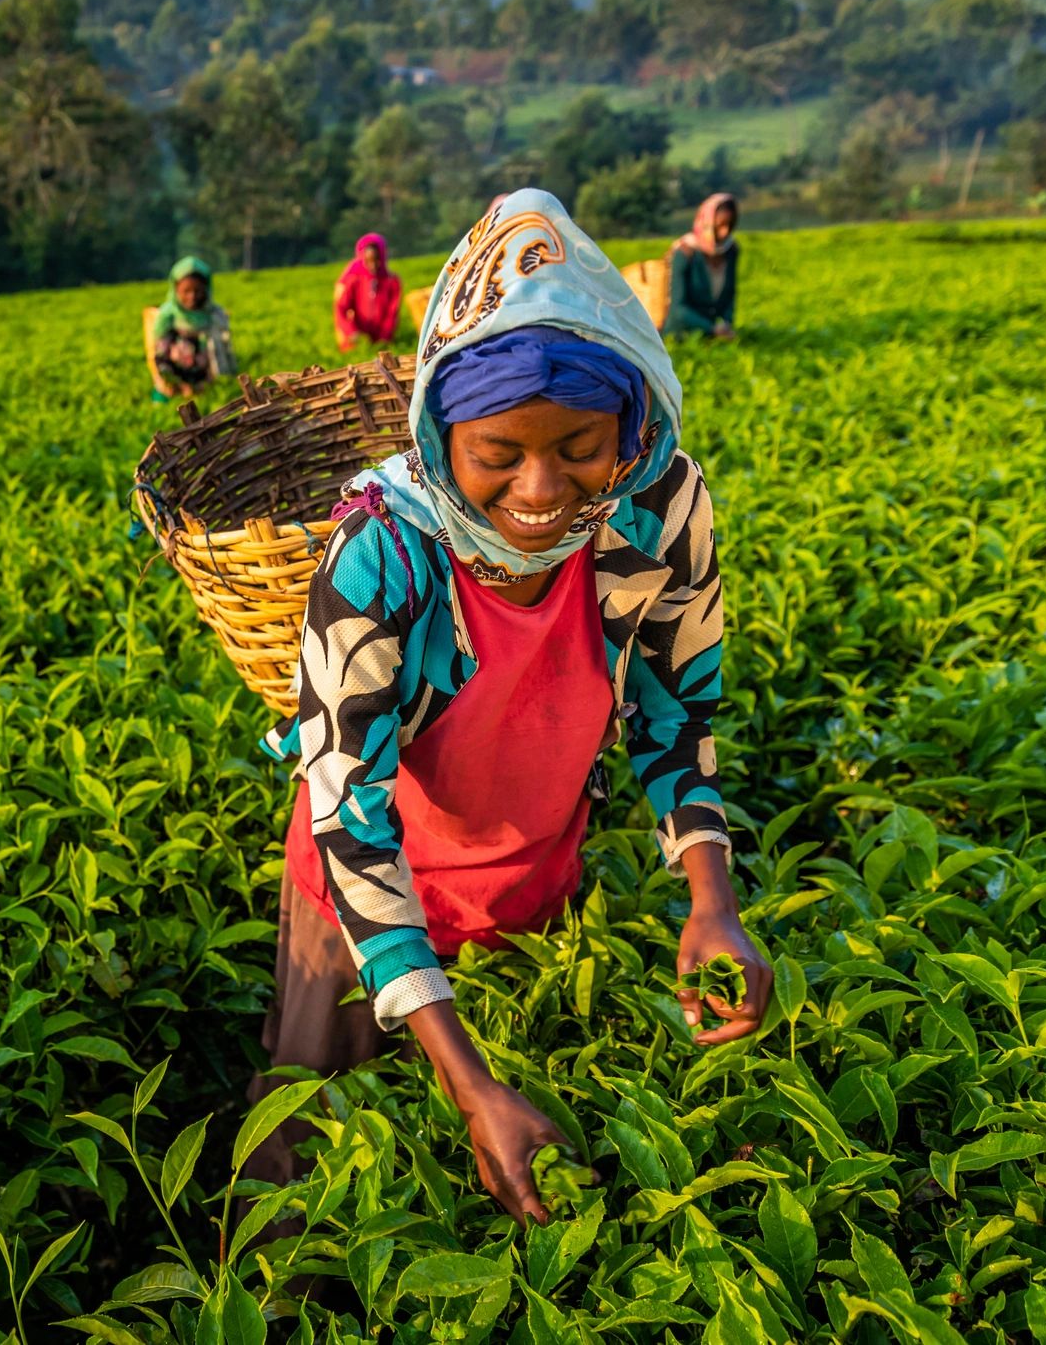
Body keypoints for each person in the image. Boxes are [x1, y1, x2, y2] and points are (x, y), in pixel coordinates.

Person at [252, 188, 769, 1223]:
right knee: (318, 1182)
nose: (542, 490)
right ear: (443, 439)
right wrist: (466, 1074)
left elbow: (676, 709)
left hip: (535, 877)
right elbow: (352, 818)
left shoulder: (658, 508)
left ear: (631, 425)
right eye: (498, 454)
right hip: (361, 909)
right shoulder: (381, 555)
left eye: (581, 446)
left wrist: (713, 901)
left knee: (528, 1173)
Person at [148, 257, 235, 402]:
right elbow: (156, 347)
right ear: (175, 290)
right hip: (176, 372)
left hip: (206, 374)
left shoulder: (214, 313)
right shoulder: (168, 314)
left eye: (198, 291)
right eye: (186, 291)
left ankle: (203, 390)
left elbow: (225, 347)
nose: (192, 297)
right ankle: (176, 390)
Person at [667, 193, 740, 340]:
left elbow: (730, 293)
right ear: (707, 223)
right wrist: (711, 328)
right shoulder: (684, 253)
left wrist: (726, 322)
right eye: (720, 226)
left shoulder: (731, 250)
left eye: (729, 225)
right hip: (682, 336)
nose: (725, 232)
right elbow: (678, 308)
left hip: (713, 337)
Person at [333, 233, 403, 352]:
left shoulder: (392, 282)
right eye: (369, 261)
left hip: (381, 343)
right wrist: (352, 332)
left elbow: (392, 314)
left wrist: (384, 338)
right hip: (356, 344)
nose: (373, 265)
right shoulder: (354, 280)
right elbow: (341, 308)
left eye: (377, 260)